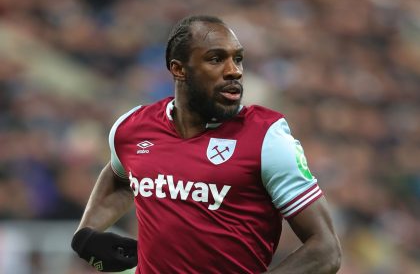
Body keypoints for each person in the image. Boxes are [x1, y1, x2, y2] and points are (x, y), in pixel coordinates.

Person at [71, 15, 342, 274]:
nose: (234, 71)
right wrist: (85, 235)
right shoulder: (132, 128)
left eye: (238, 59)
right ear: (179, 69)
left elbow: (326, 249)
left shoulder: (267, 138)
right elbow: (120, 177)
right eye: (216, 59)